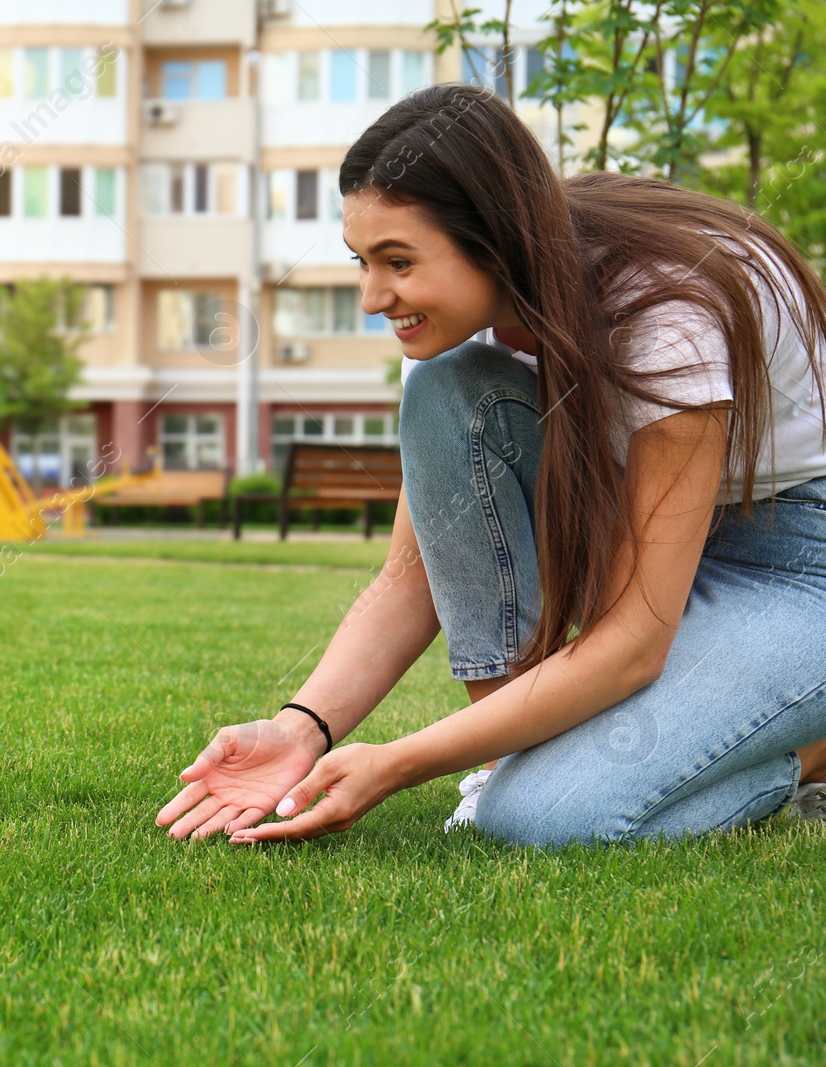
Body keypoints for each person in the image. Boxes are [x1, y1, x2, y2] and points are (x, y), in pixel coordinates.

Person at [157, 84, 826, 849]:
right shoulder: (453, 337)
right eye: (362, 262)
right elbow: (410, 577)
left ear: (495, 243)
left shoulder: (664, 312)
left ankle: (804, 754)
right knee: (450, 392)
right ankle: (511, 758)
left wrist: (399, 762)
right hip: (661, 538)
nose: (374, 297)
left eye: (398, 261)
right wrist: (301, 727)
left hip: (800, 563)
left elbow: (637, 640)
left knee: (548, 818)